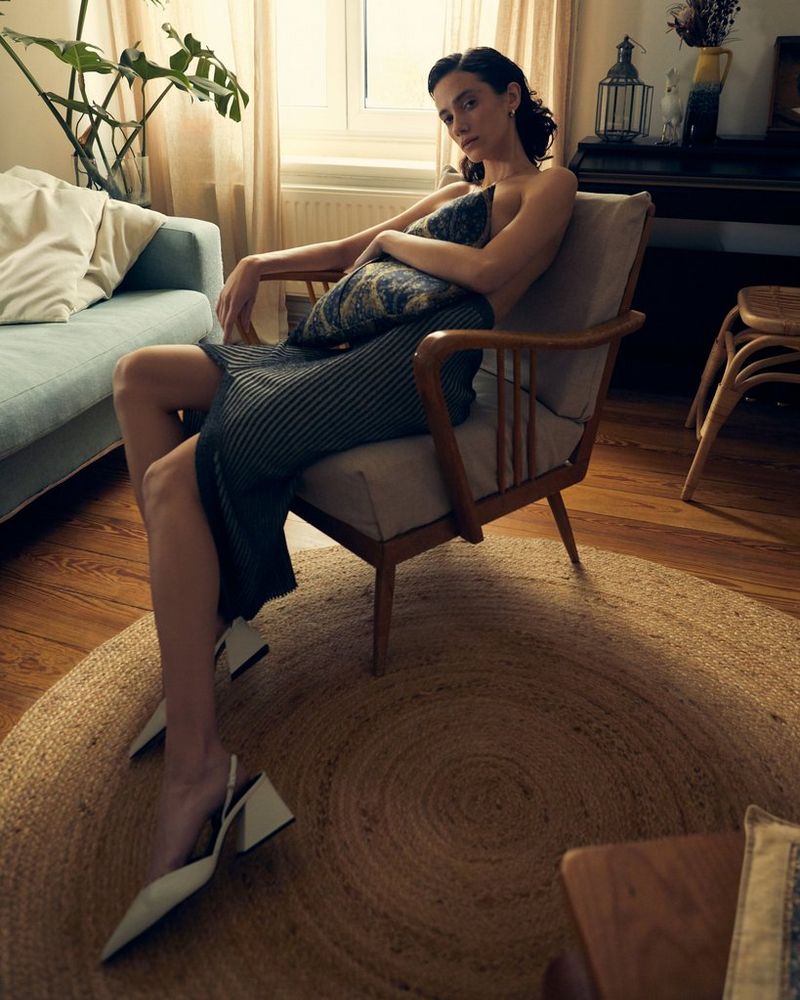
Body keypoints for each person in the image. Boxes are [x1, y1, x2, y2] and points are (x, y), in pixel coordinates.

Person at [102, 46, 577, 958]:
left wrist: (397, 241)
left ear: (512, 97)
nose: (461, 126)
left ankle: (203, 773)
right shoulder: (451, 193)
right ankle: (209, 628)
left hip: (416, 372)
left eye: (470, 103)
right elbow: (356, 250)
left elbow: (486, 278)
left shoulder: (546, 188)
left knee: (176, 478)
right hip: (347, 356)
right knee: (136, 377)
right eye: (447, 115)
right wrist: (260, 261)